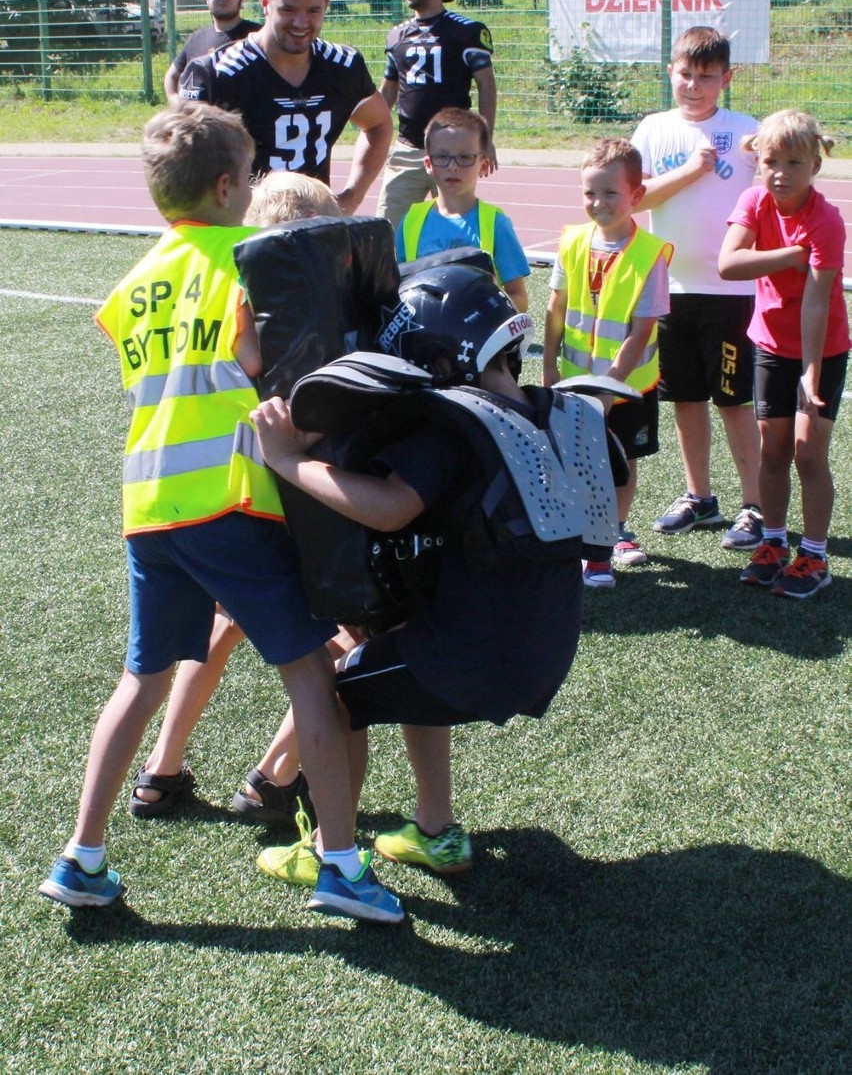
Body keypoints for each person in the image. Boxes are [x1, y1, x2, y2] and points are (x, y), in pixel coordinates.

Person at [38, 105, 402, 924]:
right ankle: (341, 868)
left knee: (142, 677)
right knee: (313, 673)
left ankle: (82, 856)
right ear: (229, 183)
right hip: (230, 500)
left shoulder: (134, 280)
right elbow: (262, 364)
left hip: (148, 500)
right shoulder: (248, 262)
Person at [251, 264, 602, 887]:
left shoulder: (451, 423)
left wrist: (286, 460)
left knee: (330, 691)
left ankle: (331, 852)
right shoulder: (558, 411)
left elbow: (389, 508)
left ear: (438, 361)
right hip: (549, 644)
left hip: (481, 660)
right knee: (410, 646)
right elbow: (611, 493)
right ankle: (434, 830)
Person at [127, 170, 345, 823]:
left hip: (208, 497)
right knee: (352, 644)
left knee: (220, 624)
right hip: (277, 501)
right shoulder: (302, 314)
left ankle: (161, 770)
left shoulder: (223, 286)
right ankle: (274, 779)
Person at [631, 26, 763, 551]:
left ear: (726, 79)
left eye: (707, 77)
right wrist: (690, 171)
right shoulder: (654, 127)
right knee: (685, 398)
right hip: (670, 288)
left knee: (734, 401)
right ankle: (700, 497)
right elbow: (636, 198)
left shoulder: (747, 130)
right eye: (685, 74)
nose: (693, 85)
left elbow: (769, 193)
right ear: (671, 72)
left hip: (731, 292)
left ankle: (754, 504)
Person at [718, 110, 850, 599]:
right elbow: (729, 264)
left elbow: (817, 302)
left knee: (807, 454)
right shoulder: (753, 201)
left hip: (823, 348)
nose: (781, 172)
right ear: (757, 159)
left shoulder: (826, 220)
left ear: (815, 164)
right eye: (771, 160)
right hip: (770, 346)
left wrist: (812, 376)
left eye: (794, 162)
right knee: (772, 451)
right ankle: (772, 544)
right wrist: (791, 255)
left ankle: (814, 556)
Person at [543, 138, 671, 588]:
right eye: (589, 193)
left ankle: (610, 539)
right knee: (578, 462)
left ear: (637, 195)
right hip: (576, 384)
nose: (598, 203)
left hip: (626, 387)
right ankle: (585, 538)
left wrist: (612, 384)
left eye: (610, 193)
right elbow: (555, 308)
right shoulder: (573, 241)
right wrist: (549, 368)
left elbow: (641, 329)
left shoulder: (650, 253)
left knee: (620, 460)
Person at [179, 0, 392, 211]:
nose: (301, 22)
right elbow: (183, 166)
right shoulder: (216, 74)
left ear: (327, 3)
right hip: (241, 231)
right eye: (288, 9)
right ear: (265, 2)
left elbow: (379, 124)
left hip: (312, 232)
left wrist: (352, 197)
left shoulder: (343, 65)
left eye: (313, 10)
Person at [376, 0, 497, 228]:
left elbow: (487, 86)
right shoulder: (397, 36)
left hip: (452, 151)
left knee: (457, 227)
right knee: (386, 229)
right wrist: (368, 129)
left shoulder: (466, 31)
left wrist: (485, 139)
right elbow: (387, 93)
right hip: (407, 148)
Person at [396, 107, 529, 311]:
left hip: (480, 338)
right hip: (422, 336)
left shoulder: (496, 224)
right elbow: (399, 288)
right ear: (428, 164)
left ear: (483, 166)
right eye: (442, 156)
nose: (453, 166)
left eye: (465, 157)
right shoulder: (411, 221)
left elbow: (517, 295)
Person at [163, 0, 261, 98]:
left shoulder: (257, 36)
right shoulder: (196, 38)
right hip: (201, 117)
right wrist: (176, 104)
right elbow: (171, 76)